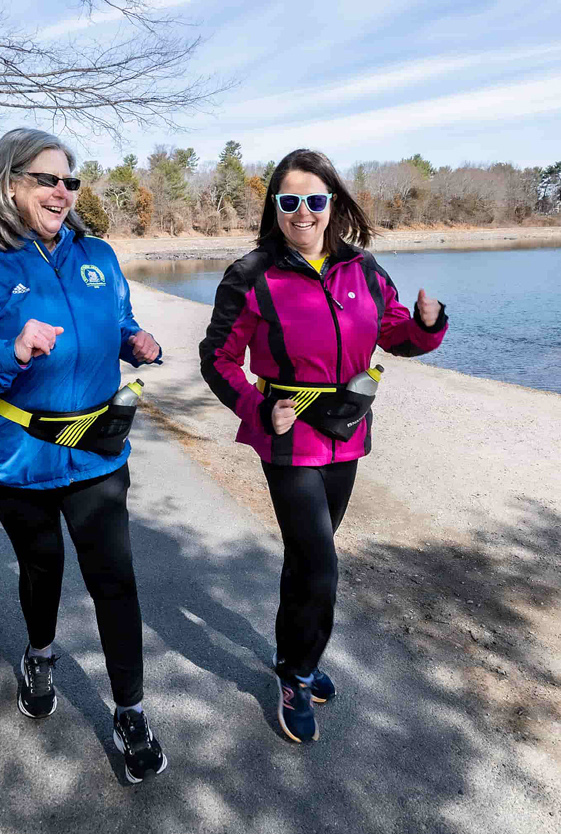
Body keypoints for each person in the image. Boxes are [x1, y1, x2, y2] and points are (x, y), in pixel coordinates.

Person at [0, 127, 168, 783]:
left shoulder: (98, 256)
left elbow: (117, 318)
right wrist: (9, 352)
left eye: (70, 180)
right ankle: (42, 652)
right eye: (47, 178)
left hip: (98, 455)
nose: (62, 191)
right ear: (10, 185)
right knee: (43, 566)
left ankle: (131, 710)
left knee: (116, 578)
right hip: (15, 460)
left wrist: (134, 340)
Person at [199, 149, 449, 743]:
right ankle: (300, 674)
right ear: (275, 208)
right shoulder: (252, 275)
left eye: (315, 200)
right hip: (287, 434)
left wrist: (428, 324)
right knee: (321, 565)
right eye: (290, 201)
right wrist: (258, 408)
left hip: (347, 428)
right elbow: (217, 358)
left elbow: (394, 334)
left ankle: (290, 655)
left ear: (332, 205)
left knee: (306, 557)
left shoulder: (362, 269)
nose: (303, 212)